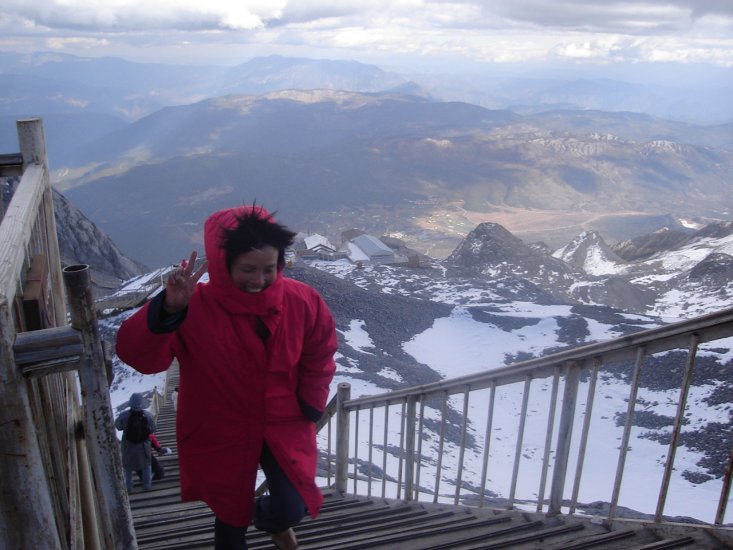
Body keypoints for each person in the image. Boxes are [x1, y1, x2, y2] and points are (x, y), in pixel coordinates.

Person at [116, 205, 338, 550]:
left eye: (268, 268)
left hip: (285, 420)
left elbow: (320, 352)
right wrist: (168, 311)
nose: (259, 279)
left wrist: (311, 403)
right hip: (221, 427)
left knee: (292, 505)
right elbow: (139, 356)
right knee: (230, 517)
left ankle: (270, 520)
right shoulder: (193, 306)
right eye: (247, 269)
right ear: (222, 265)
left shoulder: (302, 300)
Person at [114, 392, 157, 492]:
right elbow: (152, 429)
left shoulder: (124, 415)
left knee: (127, 466)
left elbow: (118, 427)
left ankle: (128, 487)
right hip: (143, 445)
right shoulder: (148, 415)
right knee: (146, 465)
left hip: (128, 445)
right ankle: (147, 486)